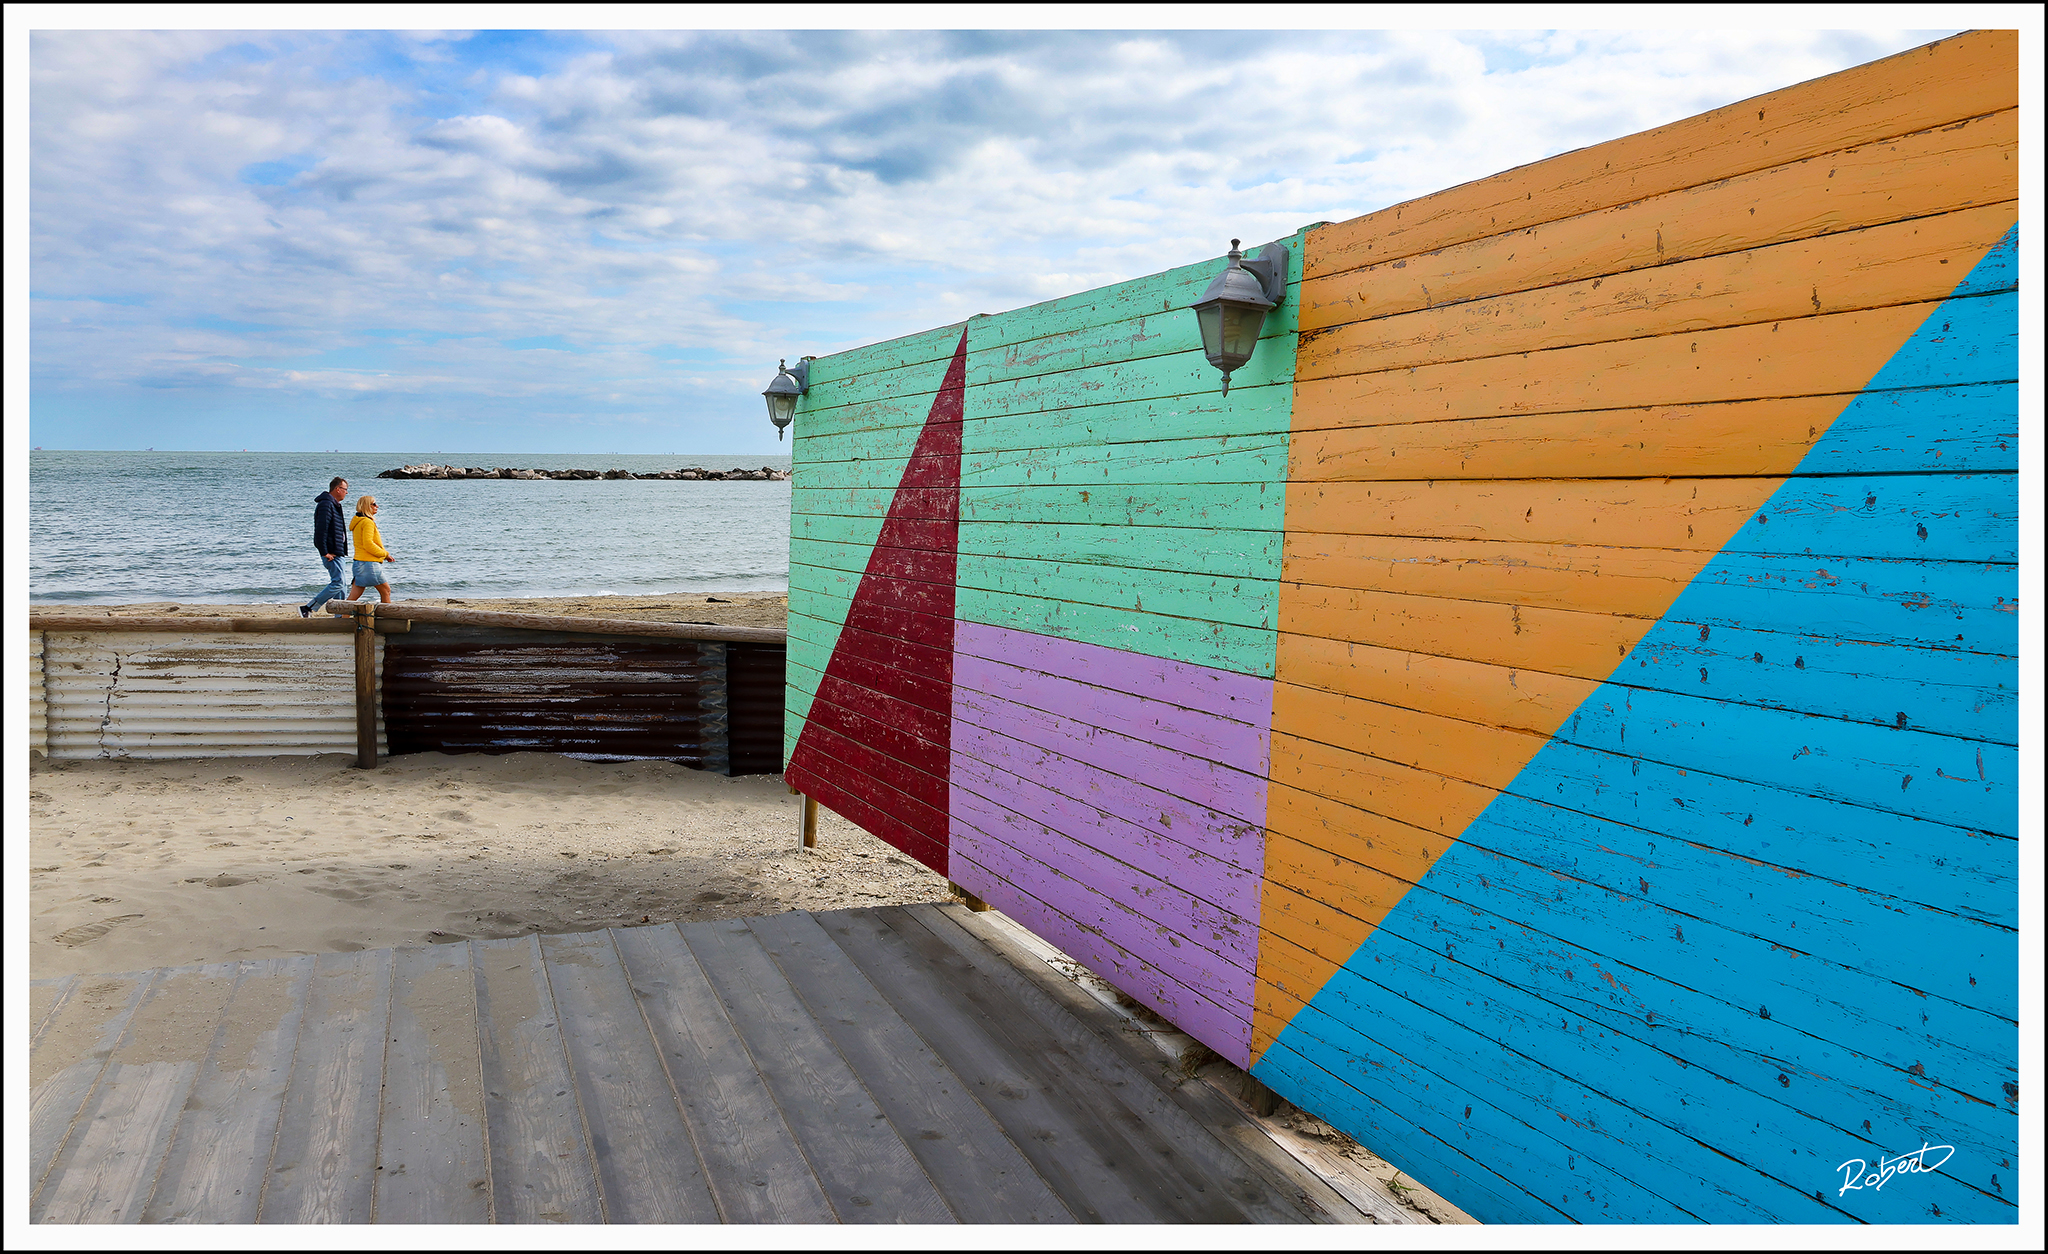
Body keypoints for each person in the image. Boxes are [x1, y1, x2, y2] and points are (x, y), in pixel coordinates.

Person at [299, 477, 350, 618]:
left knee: (342, 586)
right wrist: (324, 551)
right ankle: (308, 607)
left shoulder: (334, 504)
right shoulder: (326, 505)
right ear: (337, 489)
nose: (347, 493)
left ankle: (339, 617)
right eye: (345, 490)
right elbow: (321, 531)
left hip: (337, 551)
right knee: (338, 583)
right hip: (331, 552)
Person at [345, 495, 397, 604]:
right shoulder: (367, 522)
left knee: (353, 597)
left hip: (359, 563)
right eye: (374, 504)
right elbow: (368, 544)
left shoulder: (359, 521)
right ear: (366, 506)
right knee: (386, 591)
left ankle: (342, 619)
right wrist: (385, 554)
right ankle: (386, 619)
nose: (377, 506)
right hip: (369, 564)